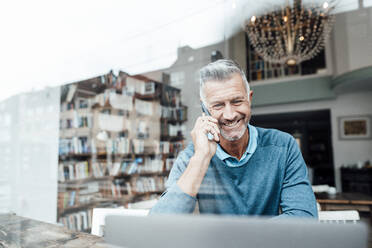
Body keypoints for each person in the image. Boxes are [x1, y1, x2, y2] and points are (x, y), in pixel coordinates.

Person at [150, 59, 318, 218]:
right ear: (204, 109)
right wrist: (201, 158)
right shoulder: (192, 157)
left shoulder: (283, 146)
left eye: (237, 101)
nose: (229, 115)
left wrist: (229, 240)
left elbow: (303, 218)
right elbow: (159, 227)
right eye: (218, 105)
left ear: (249, 99)